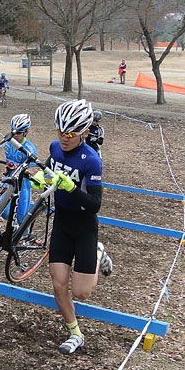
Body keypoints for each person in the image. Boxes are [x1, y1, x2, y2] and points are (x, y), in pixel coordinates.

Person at [30, 99, 113, 355]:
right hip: (62, 222)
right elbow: (47, 171)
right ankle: (75, 333)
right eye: (60, 132)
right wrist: (39, 179)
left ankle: (98, 253)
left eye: (70, 134)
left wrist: (71, 187)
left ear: (84, 133)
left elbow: (95, 204)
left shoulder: (92, 161)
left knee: (82, 293)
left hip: (85, 225)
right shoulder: (55, 148)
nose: (64, 139)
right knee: (58, 285)